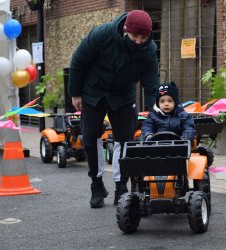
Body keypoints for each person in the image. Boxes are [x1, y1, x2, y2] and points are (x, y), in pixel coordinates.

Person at [68, 10, 159, 208]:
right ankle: (97, 184)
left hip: (123, 94)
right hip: (94, 91)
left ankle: (121, 187)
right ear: (126, 30)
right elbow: (78, 61)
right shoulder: (103, 34)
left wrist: (155, 109)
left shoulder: (149, 49)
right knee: (91, 137)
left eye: (143, 38)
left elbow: (151, 81)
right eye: (134, 36)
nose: (138, 41)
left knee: (124, 140)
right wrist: (75, 93)